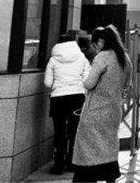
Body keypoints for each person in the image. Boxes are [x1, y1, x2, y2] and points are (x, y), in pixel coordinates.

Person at [72, 25, 131, 183]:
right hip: (113, 111)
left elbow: (89, 83)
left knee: (89, 148)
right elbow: (127, 84)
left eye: (95, 44)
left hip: (96, 112)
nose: (95, 48)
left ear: (100, 41)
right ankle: (109, 177)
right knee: (108, 147)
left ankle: (88, 179)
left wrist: (84, 75)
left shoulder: (102, 57)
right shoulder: (124, 57)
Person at [44, 33, 90, 175]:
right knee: (74, 130)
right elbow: (87, 80)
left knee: (59, 131)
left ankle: (58, 165)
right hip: (77, 98)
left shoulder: (53, 60)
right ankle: (72, 163)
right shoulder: (82, 58)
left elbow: (47, 83)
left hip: (58, 99)